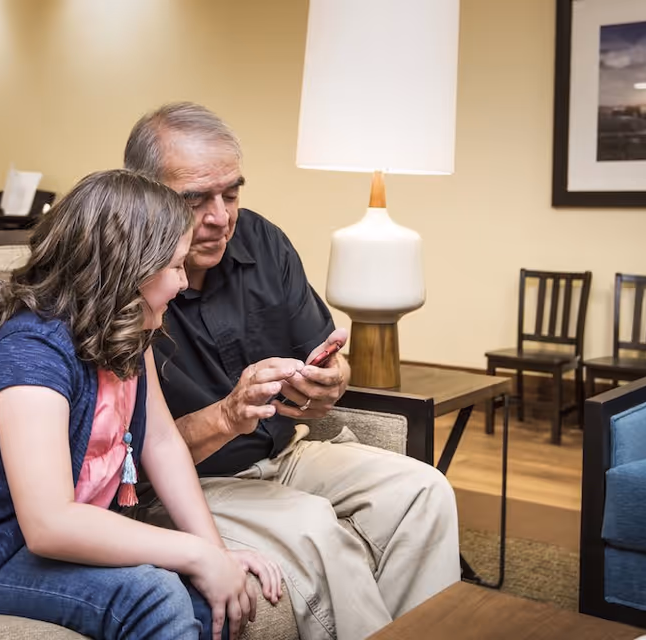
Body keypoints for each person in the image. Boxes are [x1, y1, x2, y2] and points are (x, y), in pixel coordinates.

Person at [123, 102, 461, 640]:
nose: (220, 217)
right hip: (195, 481)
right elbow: (138, 457)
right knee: (314, 528)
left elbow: (323, 354)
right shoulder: (128, 281)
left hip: (286, 453)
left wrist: (331, 380)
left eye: (231, 193)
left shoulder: (261, 240)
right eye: (195, 200)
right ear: (142, 195)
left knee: (423, 489)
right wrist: (227, 416)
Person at [0, 169, 283, 640]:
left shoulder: (131, 328)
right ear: (126, 271)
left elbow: (162, 442)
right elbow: (49, 524)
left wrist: (215, 552)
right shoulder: (30, 353)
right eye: (173, 266)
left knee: (214, 598)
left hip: (37, 544)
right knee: (154, 596)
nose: (184, 282)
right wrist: (195, 553)